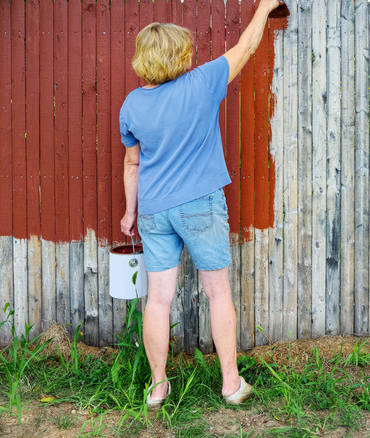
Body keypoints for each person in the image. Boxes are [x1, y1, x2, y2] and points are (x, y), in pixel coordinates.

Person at [119, 0, 280, 408]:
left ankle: (157, 388)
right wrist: (264, 6)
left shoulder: (131, 105)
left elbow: (132, 161)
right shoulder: (202, 83)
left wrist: (129, 212)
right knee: (217, 292)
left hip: (154, 210)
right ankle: (230, 384)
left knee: (158, 299)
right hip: (200, 205)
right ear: (179, 56)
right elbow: (245, 47)